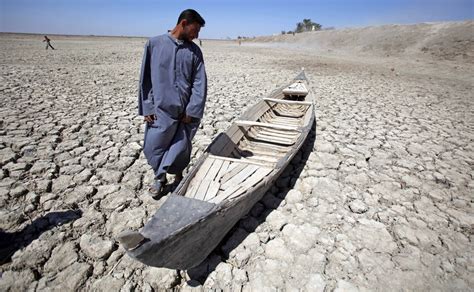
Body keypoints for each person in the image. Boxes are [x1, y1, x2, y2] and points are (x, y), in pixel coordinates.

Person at [138, 9, 207, 197]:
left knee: (181, 148)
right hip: (160, 110)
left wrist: (192, 110)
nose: (196, 35)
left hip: (185, 113)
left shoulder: (194, 51)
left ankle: (178, 177)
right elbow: (146, 79)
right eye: (195, 31)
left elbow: (200, 83)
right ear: (183, 24)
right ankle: (159, 178)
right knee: (154, 146)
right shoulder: (154, 44)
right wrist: (147, 106)